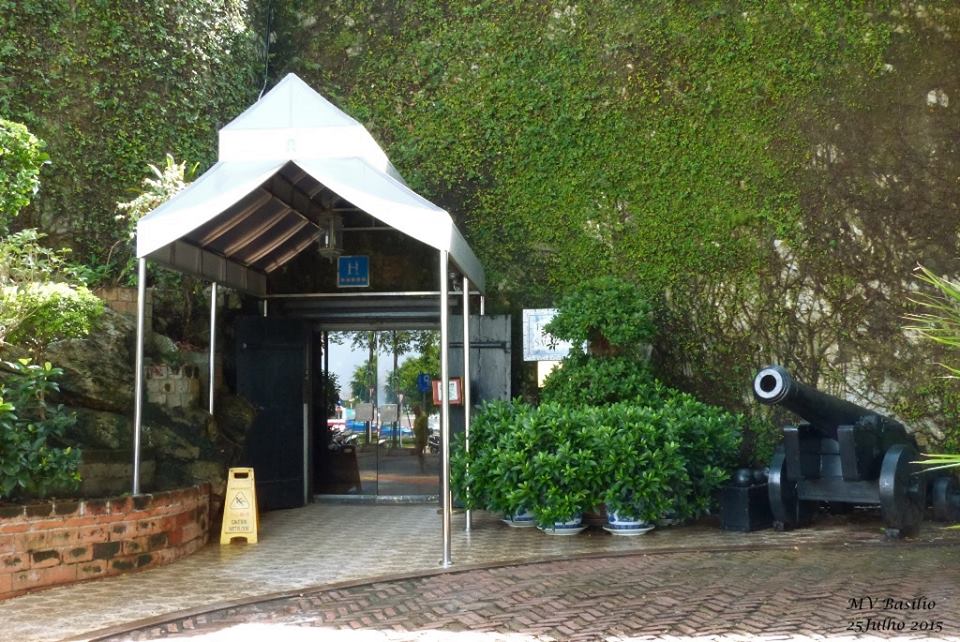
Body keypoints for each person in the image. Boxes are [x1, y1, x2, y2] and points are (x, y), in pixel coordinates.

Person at [413, 404, 428, 473]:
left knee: (419, 452)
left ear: (418, 410)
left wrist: (424, 438)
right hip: (418, 437)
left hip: (421, 437)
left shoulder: (423, 417)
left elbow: (424, 428)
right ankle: (422, 466)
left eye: (415, 411)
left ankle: (423, 467)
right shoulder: (417, 416)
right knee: (419, 453)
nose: (414, 413)